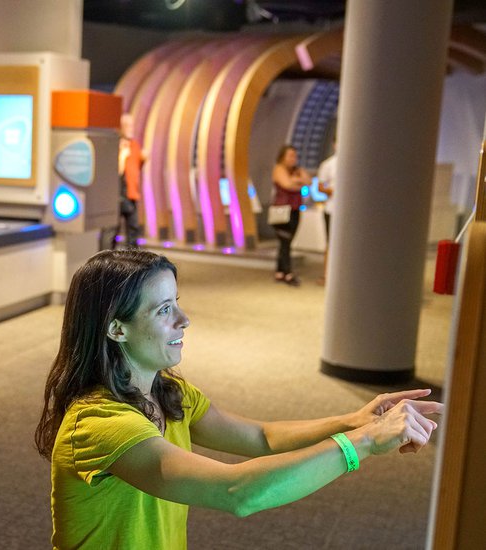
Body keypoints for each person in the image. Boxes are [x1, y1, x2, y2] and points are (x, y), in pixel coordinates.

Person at [35, 249, 442, 550]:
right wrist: (365, 443)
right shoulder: (99, 423)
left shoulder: (167, 392)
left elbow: (262, 437)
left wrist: (355, 420)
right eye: (163, 310)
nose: (183, 319)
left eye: (177, 302)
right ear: (116, 330)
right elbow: (238, 491)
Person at [270, 145, 311, 286]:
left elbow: (308, 181)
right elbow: (286, 184)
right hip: (281, 211)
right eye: (290, 155)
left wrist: (296, 181)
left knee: (287, 241)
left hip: (295, 209)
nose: (293, 158)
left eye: (295, 155)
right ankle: (287, 272)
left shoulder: (297, 170)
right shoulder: (279, 169)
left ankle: (280, 270)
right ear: (283, 156)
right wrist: (297, 182)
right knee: (285, 241)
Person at [109, 113, 147, 249]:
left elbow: (136, 169)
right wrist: (122, 157)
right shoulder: (115, 144)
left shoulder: (134, 145)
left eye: (131, 125)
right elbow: (115, 172)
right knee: (112, 230)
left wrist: (143, 159)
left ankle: (132, 263)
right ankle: (107, 263)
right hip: (117, 195)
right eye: (127, 125)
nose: (131, 128)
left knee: (133, 229)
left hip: (131, 194)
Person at [316, 146, 338, 285]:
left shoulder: (355, 161)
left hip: (348, 211)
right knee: (330, 242)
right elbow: (320, 186)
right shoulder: (328, 164)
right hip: (332, 208)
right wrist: (331, 191)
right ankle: (327, 275)